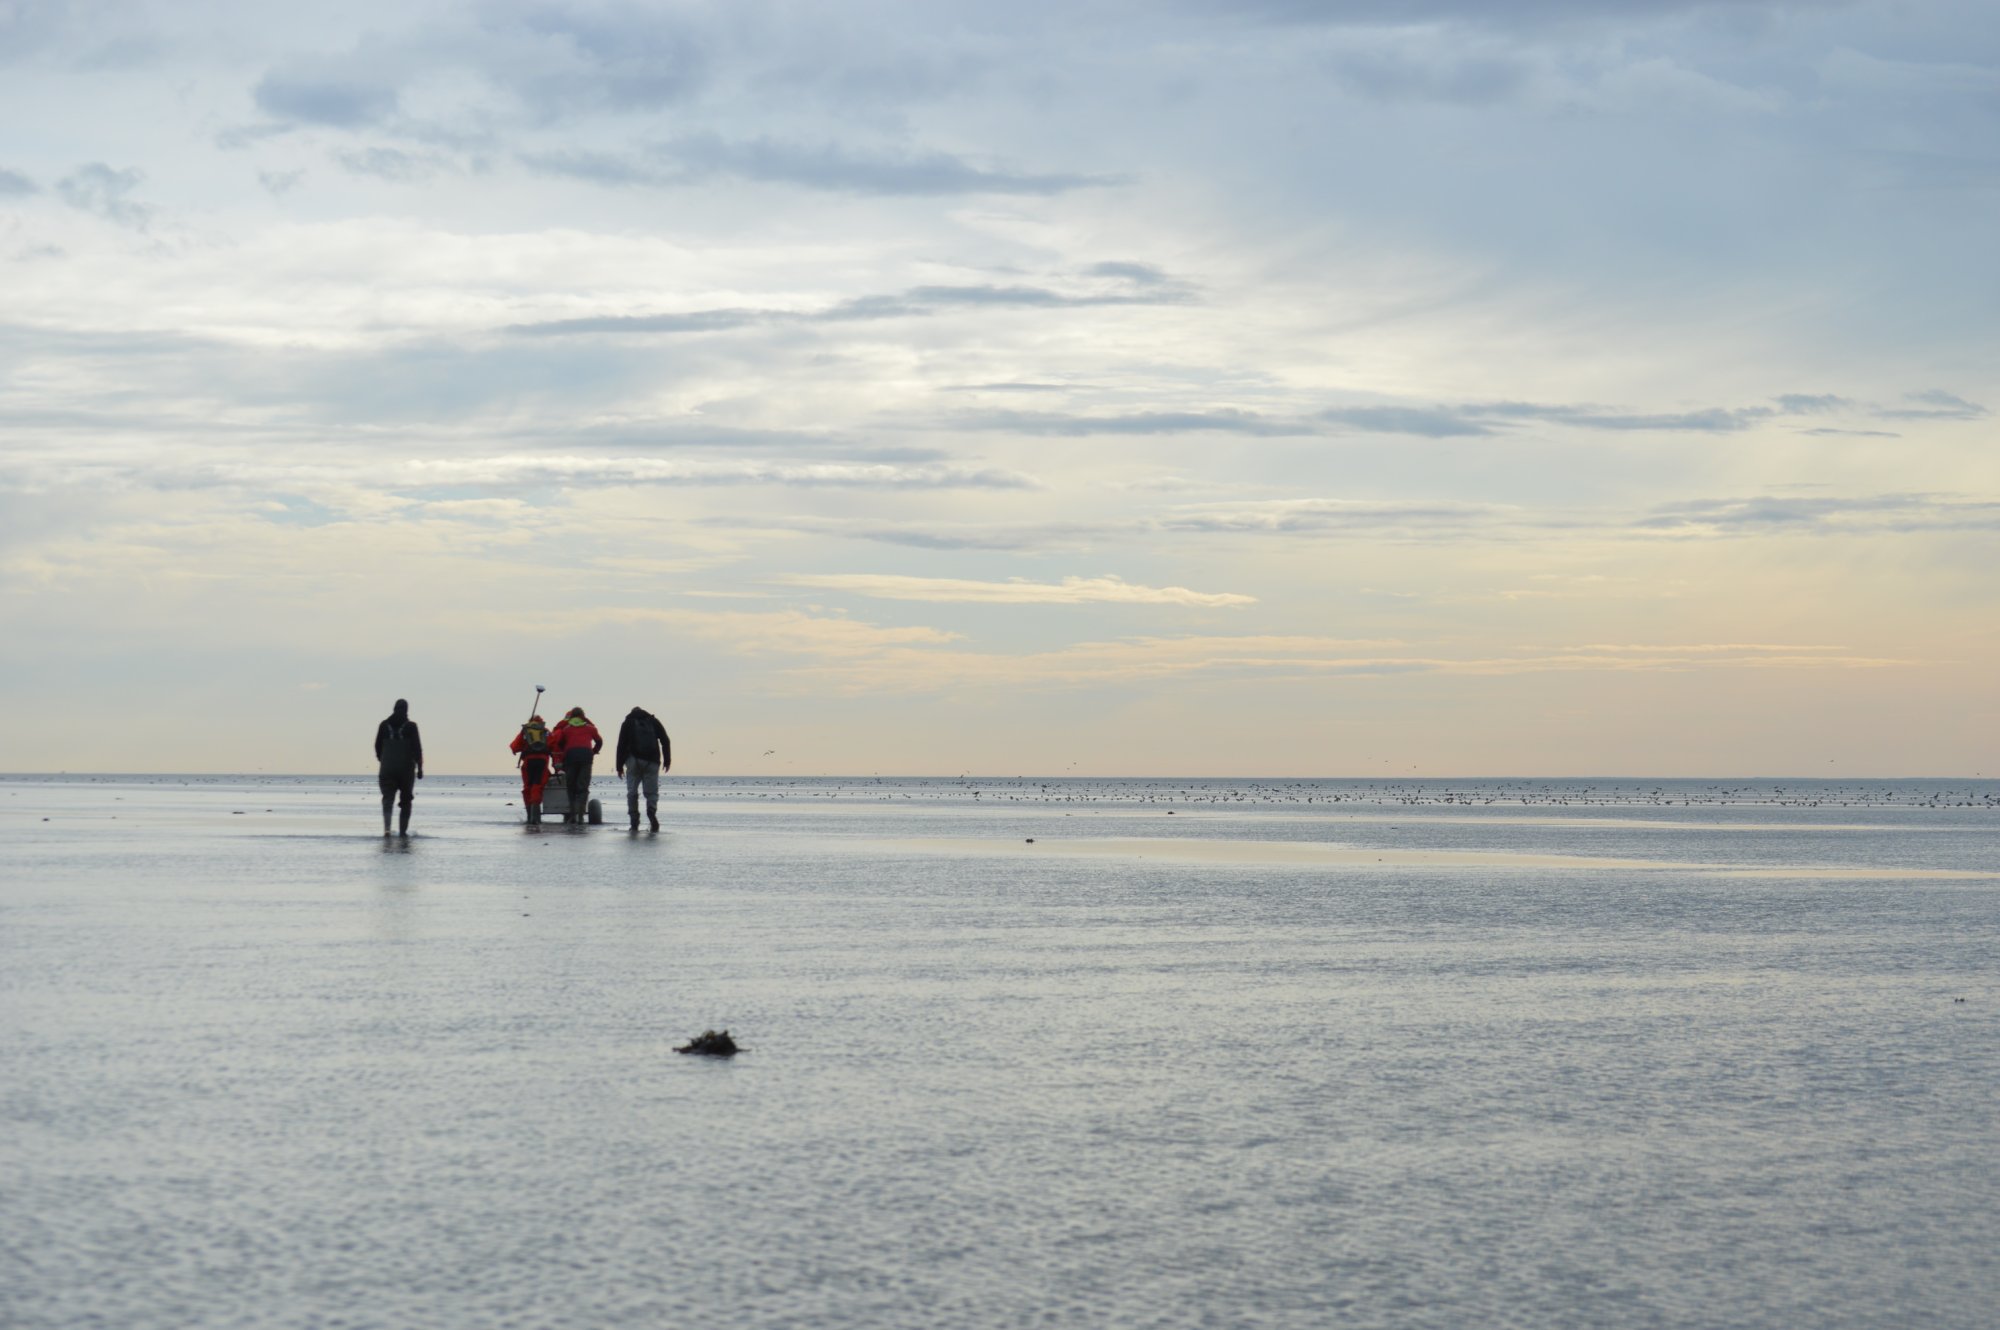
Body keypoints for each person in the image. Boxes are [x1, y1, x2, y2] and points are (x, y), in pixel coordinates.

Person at [615, 705, 672, 832]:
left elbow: (621, 745)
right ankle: (651, 812)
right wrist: (667, 760)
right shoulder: (653, 721)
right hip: (652, 762)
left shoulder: (627, 723)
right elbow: (665, 740)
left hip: (633, 761)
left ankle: (634, 820)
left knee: (632, 792)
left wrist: (619, 766)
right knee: (651, 792)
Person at [373, 699, 424, 836]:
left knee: (388, 799)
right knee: (406, 801)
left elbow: (377, 747)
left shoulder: (383, 725)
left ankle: (387, 830)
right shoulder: (411, 727)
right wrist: (420, 768)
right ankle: (402, 833)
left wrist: (383, 761)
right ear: (406, 710)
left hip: (387, 768)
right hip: (406, 770)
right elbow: (417, 749)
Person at [547, 706, 603, 823]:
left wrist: (563, 755)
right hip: (586, 757)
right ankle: (581, 815)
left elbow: (560, 743)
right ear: (583, 716)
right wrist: (594, 751)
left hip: (570, 757)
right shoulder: (590, 728)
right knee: (583, 787)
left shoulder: (566, 729)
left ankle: (572, 814)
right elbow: (599, 741)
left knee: (571, 786)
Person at [510, 714, 553, 825]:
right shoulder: (545, 731)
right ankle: (536, 813)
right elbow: (554, 745)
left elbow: (514, 747)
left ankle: (530, 815)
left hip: (528, 762)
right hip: (543, 762)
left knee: (528, 787)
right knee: (538, 785)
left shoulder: (525, 731)